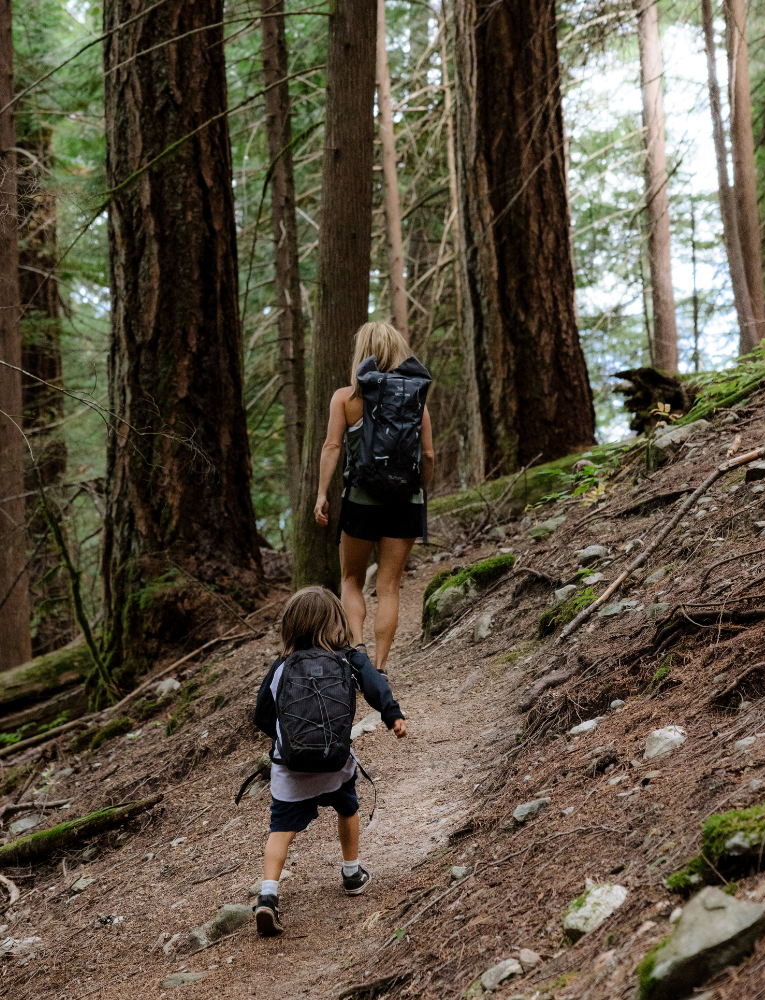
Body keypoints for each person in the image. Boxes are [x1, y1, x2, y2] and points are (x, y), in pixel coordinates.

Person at [252, 586, 407, 936]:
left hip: (290, 769)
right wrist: (392, 715)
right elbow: (374, 686)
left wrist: (287, 741)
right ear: (336, 622)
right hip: (336, 763)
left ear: (291, 626)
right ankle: (352, 872)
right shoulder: (348, 657)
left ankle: (267, 895)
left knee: (280, 831)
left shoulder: (281, 666)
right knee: (347, 808)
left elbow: (261, 714)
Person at [314, 322, 435, 677]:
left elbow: (332, 446)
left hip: (361, 502)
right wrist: (419, 491)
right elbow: (428, 455)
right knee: (389, 586)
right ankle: (381, 668)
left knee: (351, 578)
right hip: (405, 503)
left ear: (361, 352)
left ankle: (357, 653)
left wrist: (322, 494)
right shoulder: (416, 399)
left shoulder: (346, 398)